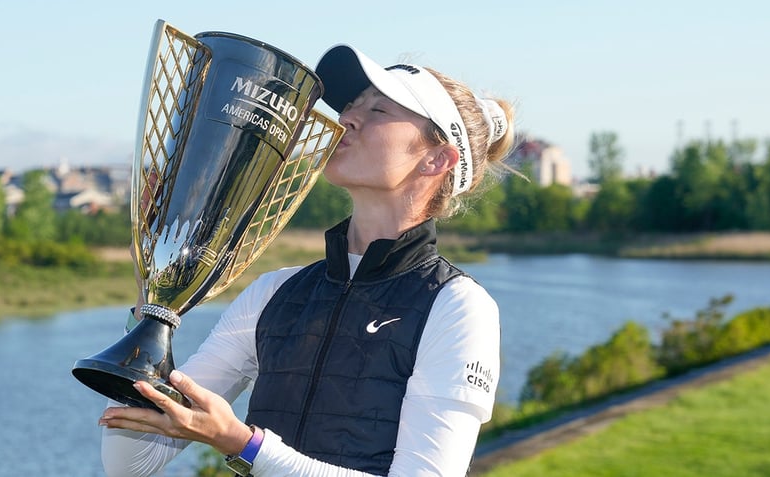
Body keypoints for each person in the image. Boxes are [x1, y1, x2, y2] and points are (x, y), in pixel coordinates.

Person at [98, 43, 516, 476]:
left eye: (380, 110)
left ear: (437, 159)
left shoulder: (457, 307)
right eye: (352, 105)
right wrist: (154, 302)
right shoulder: (274, 292)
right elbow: (130, 462)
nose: (348, 117)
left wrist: (245, 445)